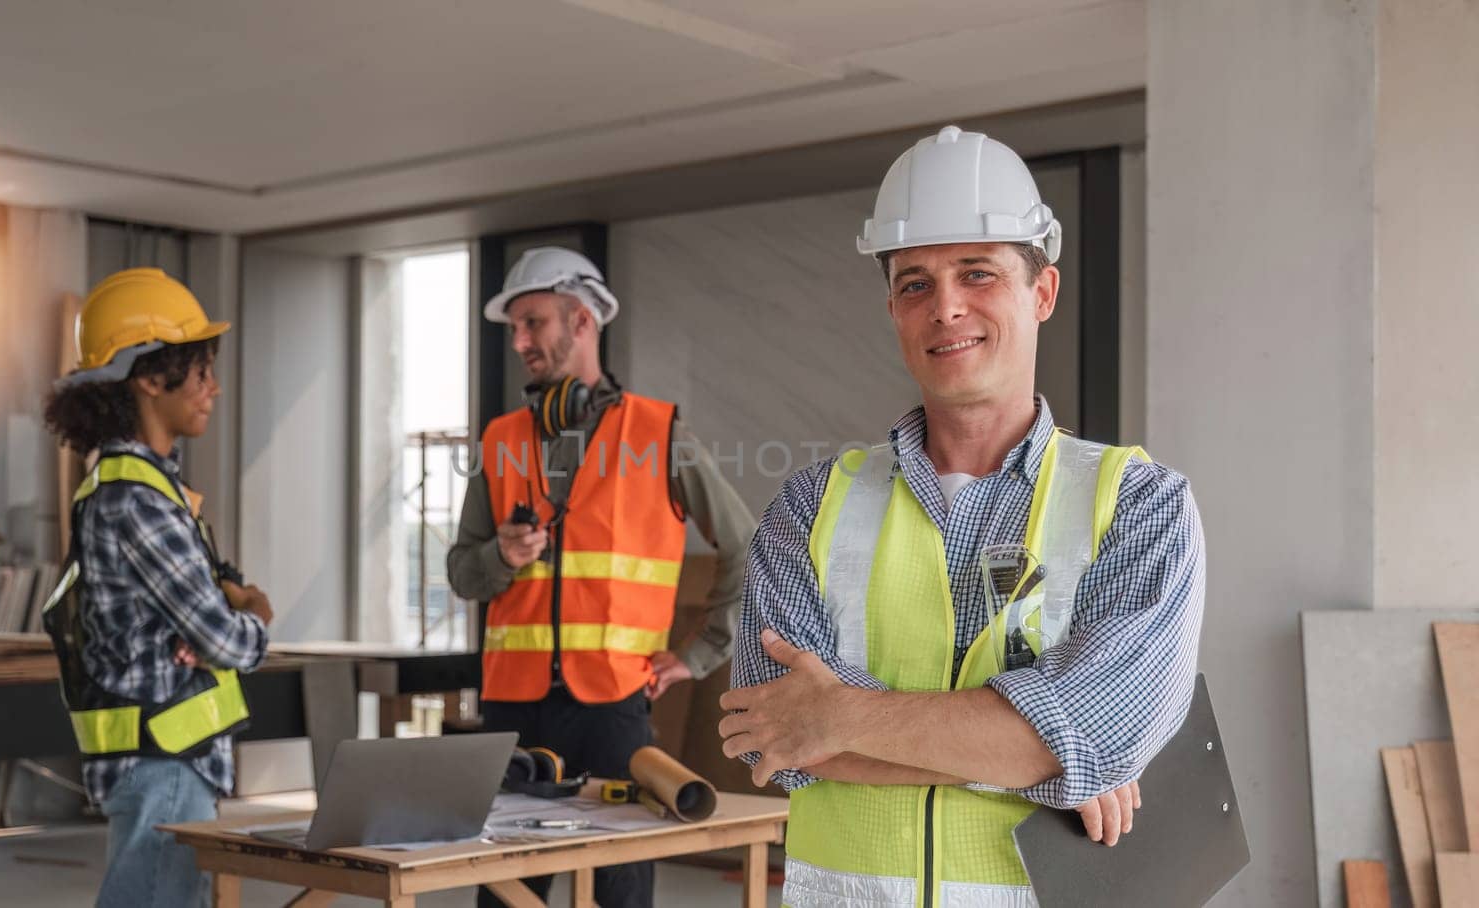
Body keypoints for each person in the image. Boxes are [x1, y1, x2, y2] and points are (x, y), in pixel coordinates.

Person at [719, 126, 1206, 907]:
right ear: (892, 307)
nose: (946, 308)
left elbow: (1103, 731)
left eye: (977, 274)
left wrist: (839, 716)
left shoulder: (1139, 505)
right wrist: (1049, 761)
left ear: (1041, 293)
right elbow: (773, 736)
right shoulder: (809, 508)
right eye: (915, 283)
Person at [448, 247, 755, 908]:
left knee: (620, 890)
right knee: (504, 893)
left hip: (614, 707)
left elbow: (747, 547)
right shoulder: (500, 441)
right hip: (512, 710)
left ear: (581, 320)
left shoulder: (660, 433)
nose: (522, 341)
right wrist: (501, 558)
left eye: (534, 323)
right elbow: (462, 574)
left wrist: (702, 654)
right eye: (515, 329)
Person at [41, 267, 273, 907]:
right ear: (149, 377)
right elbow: (227, 637)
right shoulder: (136, 500)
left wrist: (209, 629)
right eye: (199, 372)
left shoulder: (145, 489)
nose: (213, 389)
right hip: (164, 760)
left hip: (169, 757)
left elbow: (199, 628)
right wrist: (253, 617)